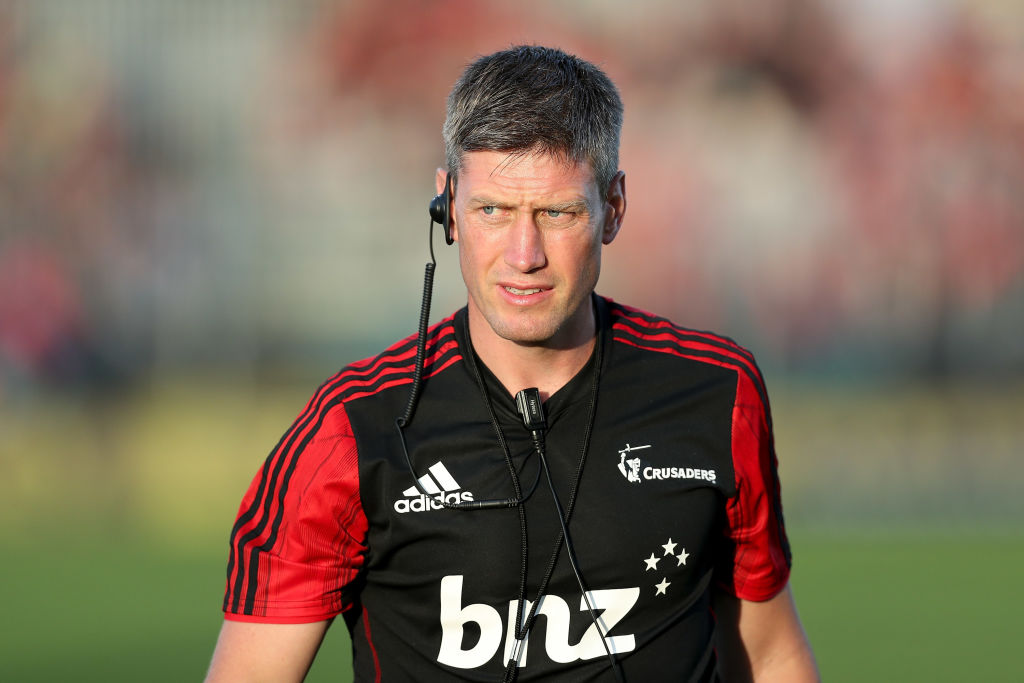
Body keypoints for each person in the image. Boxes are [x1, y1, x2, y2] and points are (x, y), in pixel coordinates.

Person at [205, 45, 819, 682]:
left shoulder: (717, 393)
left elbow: (770, 653)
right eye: (492, 210)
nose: (524, 255)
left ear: (614, 207)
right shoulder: (354, 428)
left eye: (557, 212)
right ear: (446, 208)